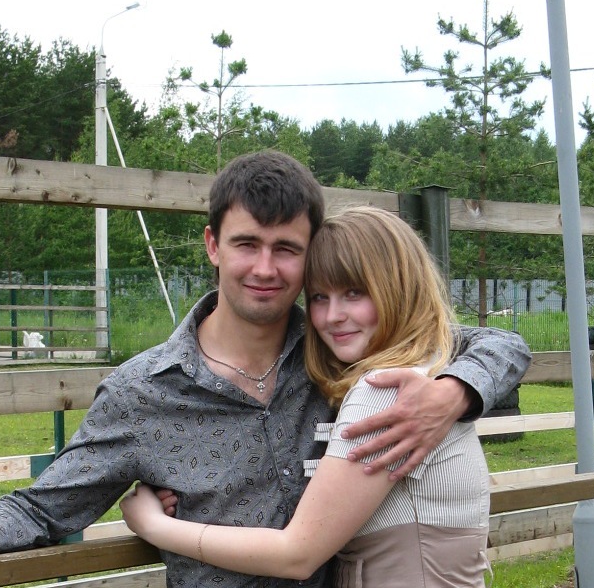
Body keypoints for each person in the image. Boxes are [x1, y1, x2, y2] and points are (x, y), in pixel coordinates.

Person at [0, 151, 529, 588]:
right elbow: (41, 509)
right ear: (212, 245)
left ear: (308, 254)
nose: (265, 267)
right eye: (247, 244)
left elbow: (497, 344)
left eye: (286, 249)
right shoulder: (141, 395)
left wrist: (454, 392)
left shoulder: (337, 354)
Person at [121, 206, 491, 586]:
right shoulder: (432, 371)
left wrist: (153, 524)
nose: (332, 316)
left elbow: (297, 554)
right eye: (319, 297)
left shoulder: (385, 393)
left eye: (354, 293)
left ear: (399, 288)